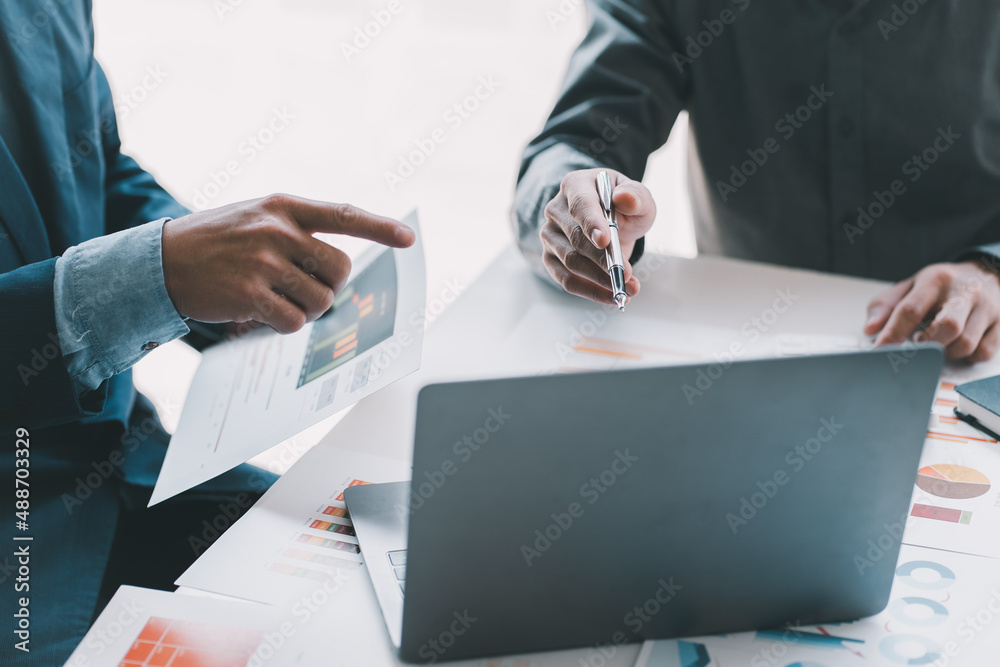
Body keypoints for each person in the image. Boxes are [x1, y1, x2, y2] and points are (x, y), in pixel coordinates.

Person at [0, 2, 414, 663]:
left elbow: (90, 161)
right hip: (23, 569)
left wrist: (226, 276)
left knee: (400, 572)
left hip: (124, 469)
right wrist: (149, 278)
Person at [514, 0, 1000, 362]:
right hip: (739, 352)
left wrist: (992, 269)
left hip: (968, 359)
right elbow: (574, 148)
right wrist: (575, 209)